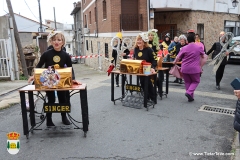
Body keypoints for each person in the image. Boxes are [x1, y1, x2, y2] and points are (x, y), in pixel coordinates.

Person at [28, 31, 81, 126]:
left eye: (59, 40)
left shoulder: (66, 55)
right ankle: (49, 119)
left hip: (61, 81)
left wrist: (73, 79)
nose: (56, 42)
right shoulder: (46, 54)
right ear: (51, 41)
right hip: (49, 81)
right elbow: (39, 66)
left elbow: (70, 69)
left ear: (63, 42)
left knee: (62, 99)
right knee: (51, 99)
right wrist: (33, 76)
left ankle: (64, 118)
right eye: (54, 40)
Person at [173, 30, 205, 102]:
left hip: (185, 68)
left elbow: (178, 57)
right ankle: (189, 92)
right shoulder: (198, 47)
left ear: (187, 40)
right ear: (194, 39)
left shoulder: (184, 48)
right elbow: (203, 56)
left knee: (187, 82)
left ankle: (190, 97)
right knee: (196, 81)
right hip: (195, 69)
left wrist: (174, 62)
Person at [133, 32, 158, 104]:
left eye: (140, 40)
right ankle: (146, 97)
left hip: (148, 69)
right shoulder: (136, 49)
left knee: (148, 83)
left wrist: (153, 68)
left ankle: (153, 98)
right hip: (140, 70)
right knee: (142, 83)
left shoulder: (149, 49)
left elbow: (155, 58)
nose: (139, 41)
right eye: (138, 40)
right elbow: (135, 58)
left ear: (144, 41)